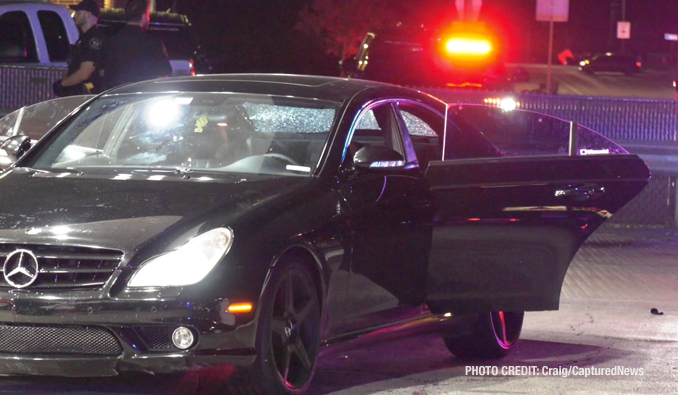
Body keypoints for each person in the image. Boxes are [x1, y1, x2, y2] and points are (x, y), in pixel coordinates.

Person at [101, 0, 172, 90]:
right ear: (143, 17)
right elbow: (164, 72)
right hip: (143, 97)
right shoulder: (153, 42)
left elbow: (103, 72)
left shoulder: (110, 41)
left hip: (116, 96)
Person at [52, 0, 104, 97]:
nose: (75, 16)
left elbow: (85, 72)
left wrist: (63, 84)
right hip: (77, 94)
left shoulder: (93, 39)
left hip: (84, 95)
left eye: (78, 13)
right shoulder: (83, 38)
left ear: (88, 14)